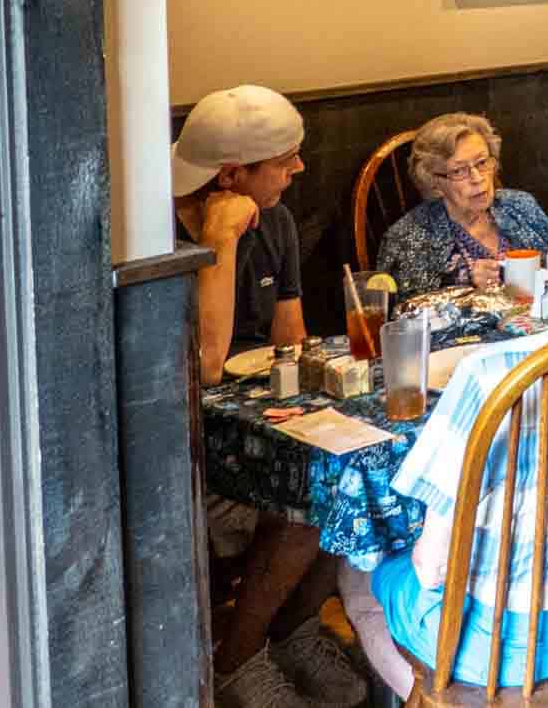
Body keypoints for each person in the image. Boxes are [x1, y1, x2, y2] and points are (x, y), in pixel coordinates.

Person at [339, 194, 548, 699]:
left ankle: (435, 698)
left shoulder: (491, 372)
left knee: (359, 576)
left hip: (499, 646)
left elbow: (433, 564)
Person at [172, 86, 363, 708]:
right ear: (231, 175)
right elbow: (204, 363)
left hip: (262, 412)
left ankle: (289, 632)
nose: (299, 169)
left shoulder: (275, 220)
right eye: (284, 159)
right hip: (190, 443)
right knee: (310, 502)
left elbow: (290, 336)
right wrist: (221, 243)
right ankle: (236, 658)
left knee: (357, 484)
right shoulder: (163, 237)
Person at [375, 112, 548, 297]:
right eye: (458, 171)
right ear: (434, 181)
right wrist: (469, 290)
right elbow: (405, 318)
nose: (477, 178)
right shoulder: (407, 238)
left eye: (482, 162)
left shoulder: (521, 205)